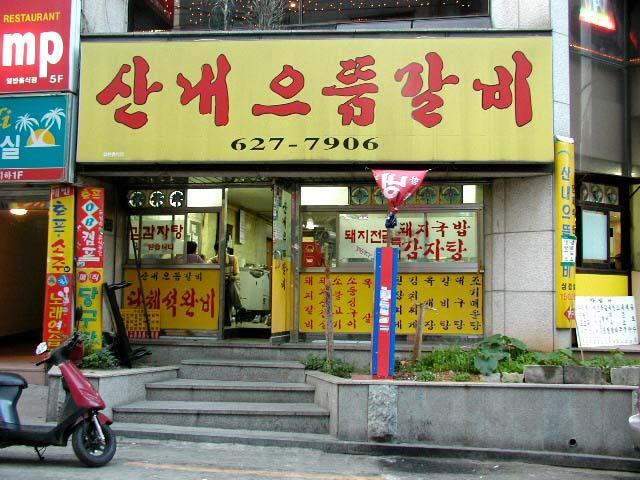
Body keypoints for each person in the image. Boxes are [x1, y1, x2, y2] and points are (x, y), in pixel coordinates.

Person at [212, 242, 240, 326]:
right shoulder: (212, 261)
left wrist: (232, 277)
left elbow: (237, 275)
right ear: (217, 251)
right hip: (218, 285)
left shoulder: (233, 259)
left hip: (230, 283)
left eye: (225, 250)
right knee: (225, 290)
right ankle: (237, 308)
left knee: (228, 287)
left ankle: (226, 318)